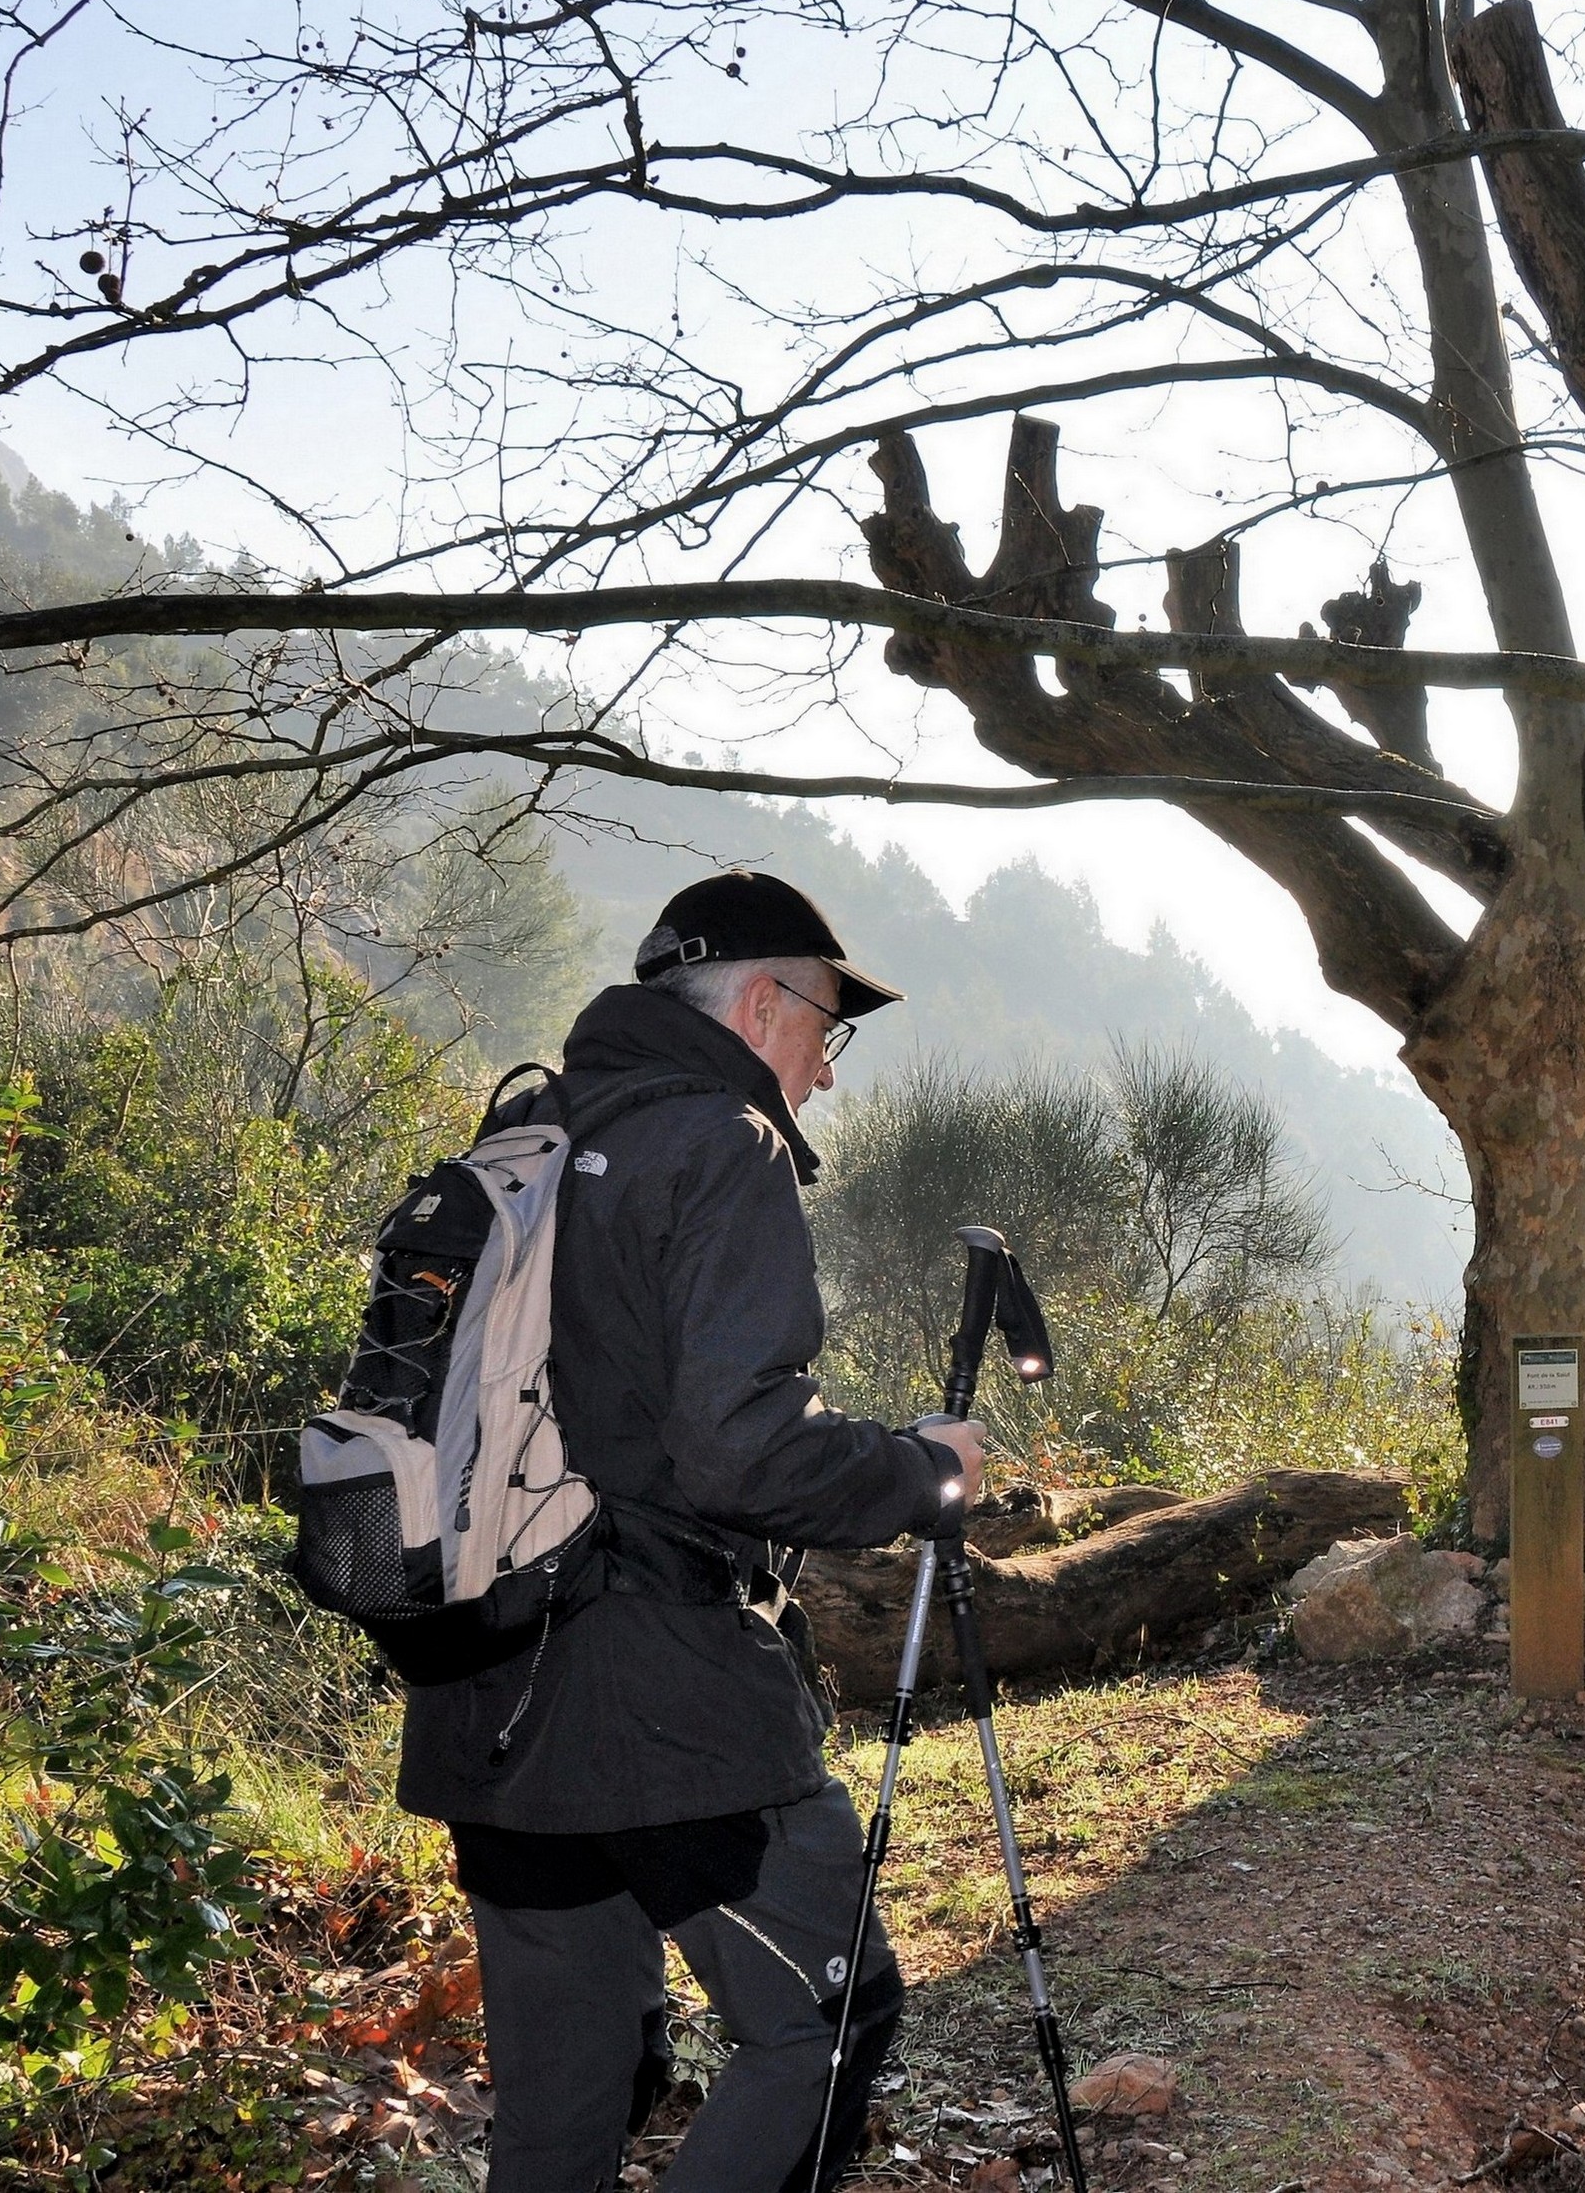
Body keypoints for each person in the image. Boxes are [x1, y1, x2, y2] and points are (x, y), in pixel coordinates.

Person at [396, 870, 987, 2192]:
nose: (824, 1071)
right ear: (762, 1004)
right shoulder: (724, 1141)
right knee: (827, 2023)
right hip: (667, 1707)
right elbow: (742, 1452)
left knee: (569, 2100)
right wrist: (920, 1470)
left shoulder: (525, 1133)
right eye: (826, 1029)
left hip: (480, 1694)